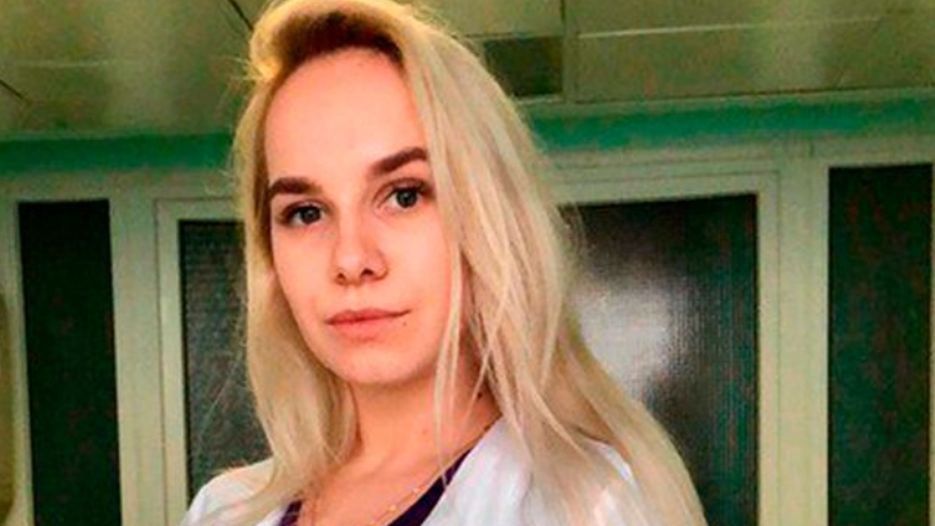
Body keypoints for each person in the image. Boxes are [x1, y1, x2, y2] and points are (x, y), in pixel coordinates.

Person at [182, 0, 707, 524]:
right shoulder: (224, 511)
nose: (351, 259)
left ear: (488, 215)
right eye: (306, 212)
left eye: (404, 195)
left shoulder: (585, 506)